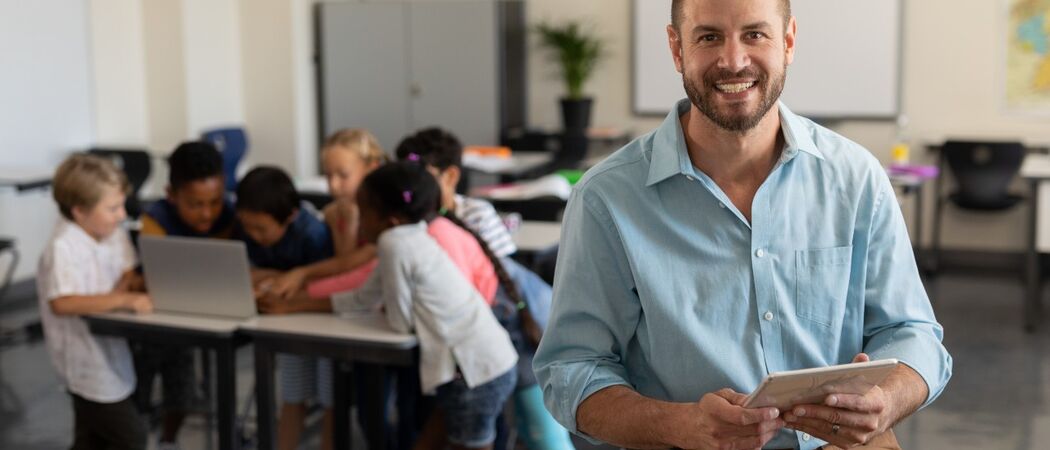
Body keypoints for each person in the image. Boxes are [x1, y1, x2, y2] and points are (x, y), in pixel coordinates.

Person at [532, 1, 953, 449]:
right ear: (677, 49)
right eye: (709, 37)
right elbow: (571, 370)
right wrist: (681, 425)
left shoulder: (855, 178)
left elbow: (914, 333)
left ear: (788, 41)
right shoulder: (607, 199)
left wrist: (886, 401)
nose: (733, 61)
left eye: (755, 34)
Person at [395, 128, 570, 449]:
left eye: (419, 175)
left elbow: (498, 281)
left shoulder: (471, 215)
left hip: (521, 323)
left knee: (539, 427)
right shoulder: (415, 226)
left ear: (450, 176)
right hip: (481, 336)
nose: (409, 187)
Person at [333, 161, 518, 450]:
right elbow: (364, 297)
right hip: (485, 364)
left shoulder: (394, 243)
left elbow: (399, 322)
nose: (360, 221)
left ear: (390, 220)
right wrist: (296, 305)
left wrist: (388, 308)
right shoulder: (414, 233)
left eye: (364, 212)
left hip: (470, 373)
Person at [38, 154, 154, 450]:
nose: (120, 215)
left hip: (114, 348)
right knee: (130, 437)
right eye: (112, 208)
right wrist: (123, 298)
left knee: (92, 438)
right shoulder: (63, 247)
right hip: (84, 360)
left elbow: (127, 269)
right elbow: (62, 302)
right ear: (80, 212)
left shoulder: (112, 231)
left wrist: (125, 287)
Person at [136, 141, 235, 449]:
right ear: (171, 195)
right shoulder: (155, 221)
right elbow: (149, 277)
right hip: (158, 322)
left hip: (207, 317)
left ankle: (168, 440)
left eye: (215, 201)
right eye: (195, 204)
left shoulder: (229, 217)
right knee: (139, 383)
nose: (207, 214)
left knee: (181, 389)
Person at [233, 167, 335, 450]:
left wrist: (277, 282)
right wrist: (274, 281)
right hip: (283, 324)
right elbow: (242, 268)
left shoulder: (313, 234)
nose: (253, 235)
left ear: (289, 216)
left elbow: (326, 282)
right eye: (248, 227)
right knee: (292, 395)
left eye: (261, 229)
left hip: (324, 325)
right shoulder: (247, 224)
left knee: (331, 402)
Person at [263, 128, 387, 300]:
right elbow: (341, 264)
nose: (334, 185)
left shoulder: (384, 214)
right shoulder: (333, 212)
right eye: (328, 176)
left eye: (343, 175)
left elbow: (351, 266)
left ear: (371, 169)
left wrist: (302, 273)